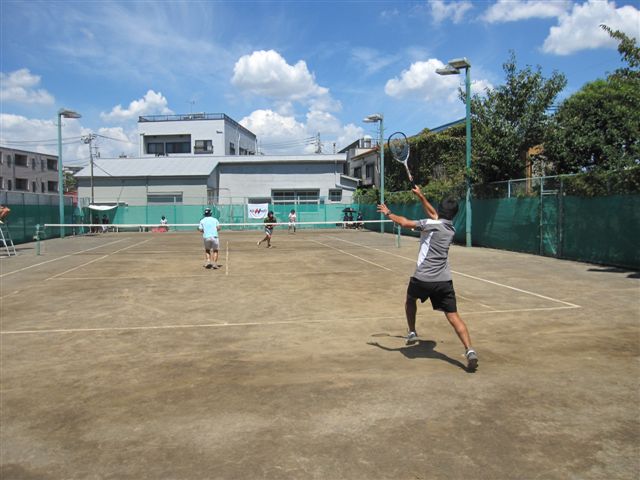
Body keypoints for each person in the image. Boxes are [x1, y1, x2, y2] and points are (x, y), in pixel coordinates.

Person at [377, 186, 479, 371]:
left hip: (423, 278)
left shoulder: (430, 224)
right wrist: (421, 196)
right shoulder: (450, 228)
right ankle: (470, 350)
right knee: (453, 316)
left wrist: (388, 212)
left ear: (440, 211)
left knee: (410, 300)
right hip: (444, 281)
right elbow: (435, 215)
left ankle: (412, 331)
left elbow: (405, 223)